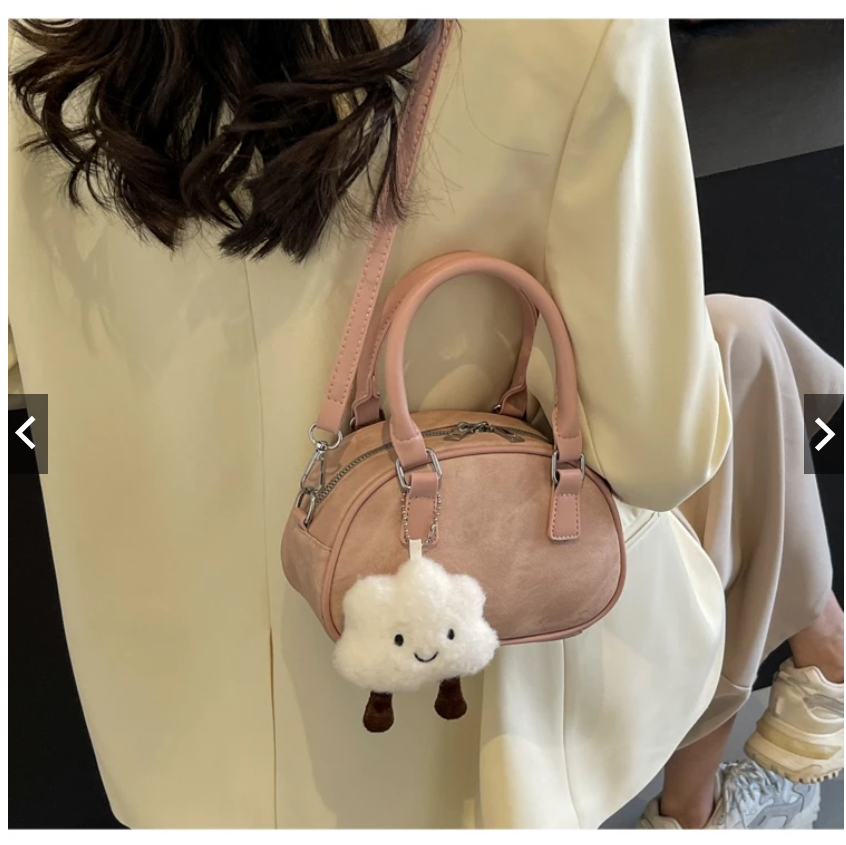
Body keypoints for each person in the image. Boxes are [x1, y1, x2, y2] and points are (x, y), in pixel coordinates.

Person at [7, 19, 843, 830]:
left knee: (748, 349)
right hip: (469, 722)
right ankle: (766, 737)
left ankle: (800, 703)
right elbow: (660, 457)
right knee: (749, 359)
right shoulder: (577, 30)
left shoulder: (35, 44)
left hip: (168, 724)